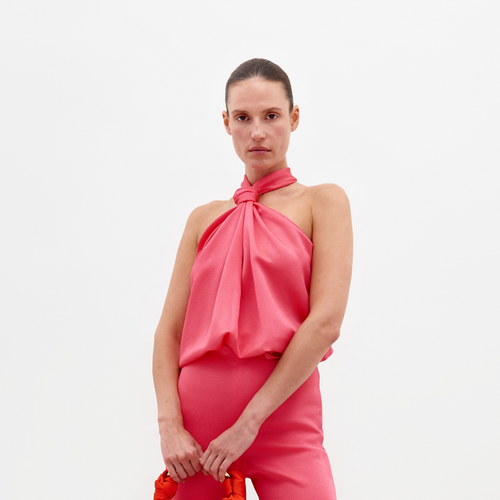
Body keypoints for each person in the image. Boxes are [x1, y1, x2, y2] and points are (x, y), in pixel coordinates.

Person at [152, 58, 353, 499]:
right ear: (226, 123)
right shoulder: (203, 218)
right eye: (242, 118)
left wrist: (249, 423)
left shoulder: (324, 202)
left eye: (271, 116)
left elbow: (325, 323)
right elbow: (168, 333)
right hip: (197, 436)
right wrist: (169, 426)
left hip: (284, 420)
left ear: (294, 118)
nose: (257, 132)